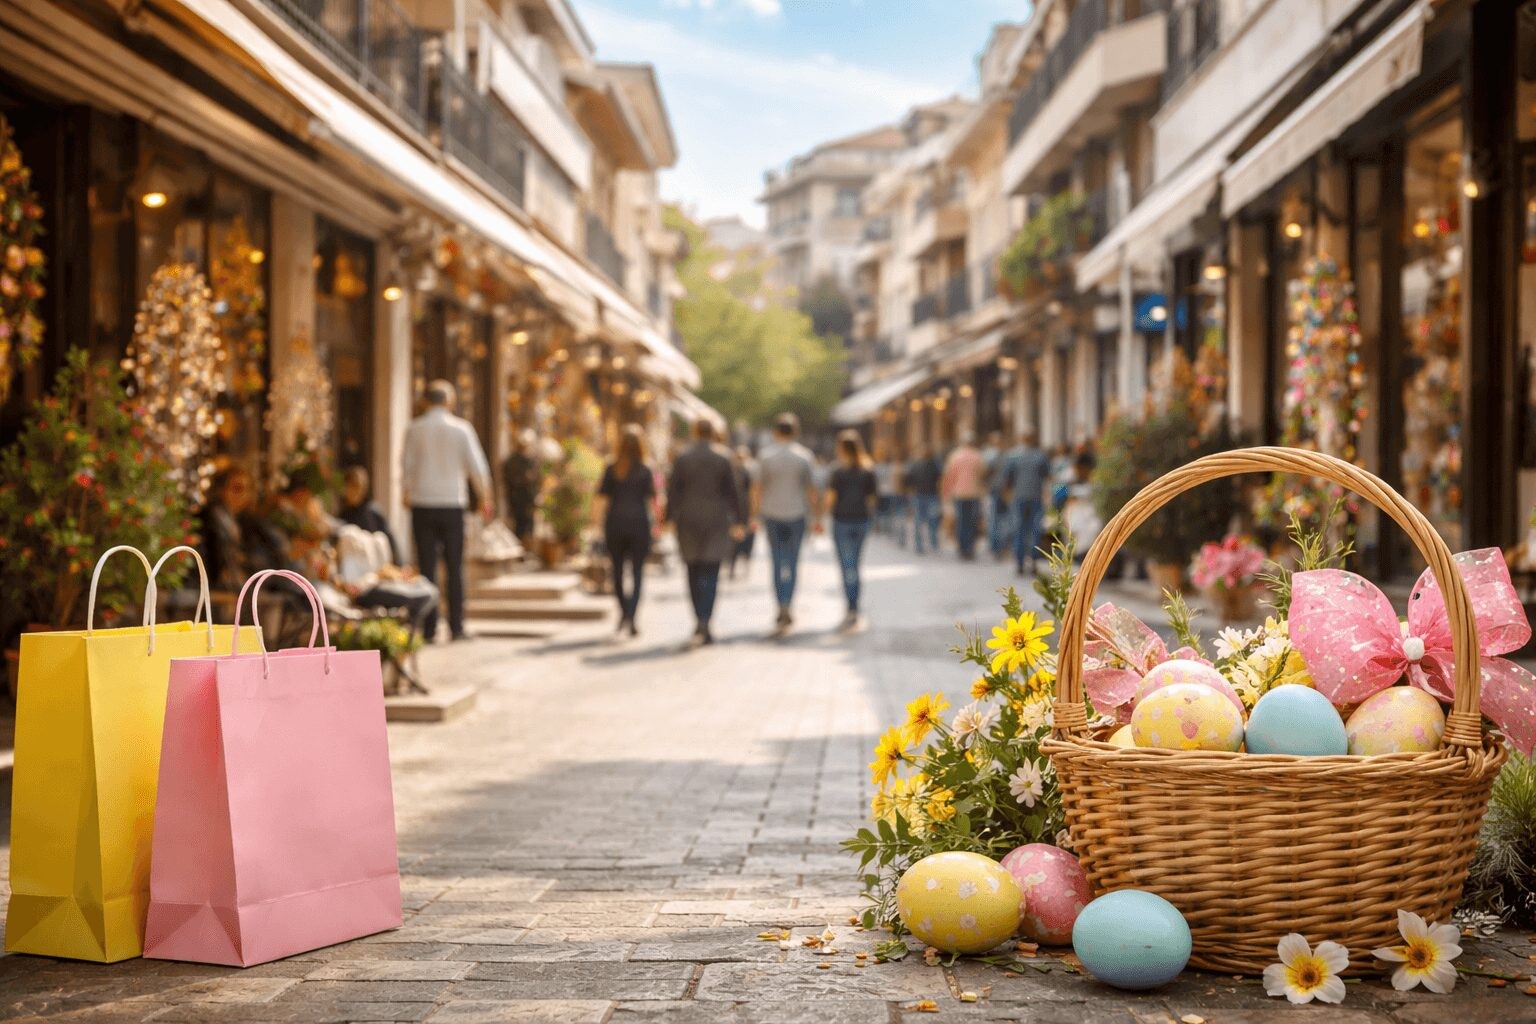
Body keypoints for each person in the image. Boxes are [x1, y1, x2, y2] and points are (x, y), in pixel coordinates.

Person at [401, 379, 492, 642]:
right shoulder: (461, 429)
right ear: (449, 401)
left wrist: (407, 494)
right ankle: (456, 626)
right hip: (453, 504)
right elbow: (478, 469)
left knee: (427, 567)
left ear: (426, 401)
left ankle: (429, 629)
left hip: (423, 503)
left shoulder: (414, 429)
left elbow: (406, 468)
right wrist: (485, 500)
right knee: (455, 567)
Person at [665, 419, 743, 647]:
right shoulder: (723, 457)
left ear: (695, 432)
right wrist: (739, 521)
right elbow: (733, 492)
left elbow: (673, 492)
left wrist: (669, 519)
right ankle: (706, 619)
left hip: (688, 520)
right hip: (716, 521)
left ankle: (699, 618)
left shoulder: (683, 458)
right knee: (711, 571)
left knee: (692, 570)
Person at [752, 413, 819, 635]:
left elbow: (757, 489)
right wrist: (817, 517)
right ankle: (788, 602)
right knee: (792, 561)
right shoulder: (804, 456)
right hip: (797, 514)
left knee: (777, 561)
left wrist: (754, 514)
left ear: (776, 431)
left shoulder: (765, 456)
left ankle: (780, 604)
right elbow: (811, 490)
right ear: (795, 431)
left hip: (772, 513)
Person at [594, 424, 655, 638]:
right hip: (639, 524)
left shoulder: (612, 468)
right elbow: (653, 500)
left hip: (616, 524)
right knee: (638, 573)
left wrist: (595, 525)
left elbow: (601, 499)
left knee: (617, 572)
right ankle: (632, 615)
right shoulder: (646, 469)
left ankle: (624, 612)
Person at [826, 430, 878, 632]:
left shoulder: (838, 471)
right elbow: (872, 499)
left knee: (847, 566)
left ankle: (851, 607)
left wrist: (822, 513)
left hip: (842, 521)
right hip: (861, 520)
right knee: (855, 564)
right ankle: (854, 607)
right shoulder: (868, 470)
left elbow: (831, 497)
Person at [1001, 429, 1051, 576]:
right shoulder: (1040, 456)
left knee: (1019, 529)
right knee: (1035, 529)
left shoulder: (1013, 456)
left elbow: (1007, 479)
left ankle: (1020, 562)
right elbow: (1047, 475)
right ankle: (1033, 561)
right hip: (1035, 496)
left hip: (1019, 497)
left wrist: (1007, 494)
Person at [338, 466, 400, 563]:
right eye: (350, 486)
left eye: (357, 487)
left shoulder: (373, 512)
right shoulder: (344, 514)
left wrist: (399, 564)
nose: (354, 491)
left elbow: (389, 541)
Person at [942, 432, 986, 560]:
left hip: (959, 493)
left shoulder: (955, 456)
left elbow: (948, 476)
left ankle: (962, 548)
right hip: (974, 493)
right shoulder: (978, 456)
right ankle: (970, 548)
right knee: (972, 521)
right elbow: (983, 473)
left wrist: (946, 493)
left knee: (961, 521)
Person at [502, 431, 540, 546]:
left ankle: (525, 547)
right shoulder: (519, 461)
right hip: (520, 498)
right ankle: (522, 548)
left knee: (524, 524)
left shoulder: (525, 460)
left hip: (521, 498)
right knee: (523, 525)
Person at [904, 444, 942, 555]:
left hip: (926, 495)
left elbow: (908, 480)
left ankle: (926, 543)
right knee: (927, 520)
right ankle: (927, 543)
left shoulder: (919, 464)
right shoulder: (929, 464)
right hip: (925, 495)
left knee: (925, 520)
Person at [728, 446, 758, 580]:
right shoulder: (739, 471)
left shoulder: (743, 472)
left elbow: (752, 492)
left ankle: (737, 564)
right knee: (740, 539)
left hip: (738, 510)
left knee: (740, 539)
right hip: (739, 510)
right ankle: (735, 564)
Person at [982, 431, 1011, 560]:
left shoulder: (990, 456)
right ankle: (998, 546)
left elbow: (985, 472)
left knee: (995, 519)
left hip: (997, 490)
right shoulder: (1007, 455)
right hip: (1001, 490)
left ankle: (996, 546)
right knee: (1000, 519)